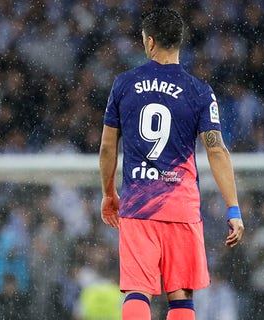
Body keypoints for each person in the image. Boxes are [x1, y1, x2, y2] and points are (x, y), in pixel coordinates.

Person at [99, 8, 245, 320]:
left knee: (137, 290)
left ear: (149, 42)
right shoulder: (199, 91)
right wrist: (233, 209)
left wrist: (109, 193)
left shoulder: (124, 84)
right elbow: (216, 151)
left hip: (139, 205)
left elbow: (107, 147)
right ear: (178, 42)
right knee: (180, 297)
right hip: (182, 207)